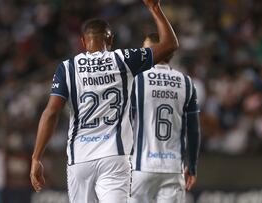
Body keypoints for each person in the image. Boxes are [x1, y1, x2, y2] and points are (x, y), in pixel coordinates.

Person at [30, 0, 178, 202]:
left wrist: (36, 157)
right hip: (114, 156)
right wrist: (155, 8)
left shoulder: (67, 68)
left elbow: (51, 113)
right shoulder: (123, 59)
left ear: (83, 42)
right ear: (111, 40)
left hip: (80, 158)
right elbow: (170, 45)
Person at [129, 33, 201, 203]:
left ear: (156, 51)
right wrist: (192, 166)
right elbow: (194, 129)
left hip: (141, 166)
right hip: (173, 168)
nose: (141, 51)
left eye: (145, 49)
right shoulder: (186, 82)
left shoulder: (137, 80)